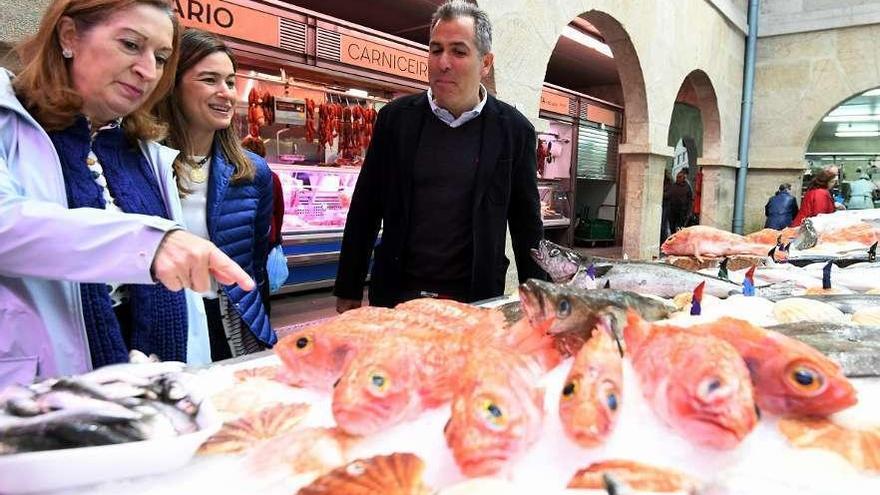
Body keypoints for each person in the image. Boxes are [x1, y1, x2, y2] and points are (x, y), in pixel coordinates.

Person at [0, 0, 255, 386]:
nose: (147, 70)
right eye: (131, 45)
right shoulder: (9, 119)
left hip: (153, 385)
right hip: (40, 392)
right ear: (69, 36)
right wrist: (150, 243)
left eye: (161, 57)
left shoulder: (144, 150)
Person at [334, 0, 545, 311]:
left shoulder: (514, 132)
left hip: (474, 299)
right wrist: (349, 287)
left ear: (485, 63)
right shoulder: (395, 120)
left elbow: (527, 227)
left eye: (458, 51)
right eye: (436, 50)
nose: (443, 62)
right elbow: (366, 208)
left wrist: (541, 302)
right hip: (397, 296)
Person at [156, 29, 275, 360]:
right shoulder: (142, 164)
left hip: (232, 322)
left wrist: (260, 323)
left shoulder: (253, 172)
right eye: (210, 80)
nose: (226, 93)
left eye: (230, 82)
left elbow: (255, 263)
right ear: (171, 86)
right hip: (166, 326)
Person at [242, 134, 286, 316]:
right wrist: (277, 235)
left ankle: (247, 311)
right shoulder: (272, 176)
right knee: (261, 273)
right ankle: (263, 311)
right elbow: (279, 209)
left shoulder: (238, 174)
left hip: (244, 234)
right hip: (267, 233)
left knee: (244, 272)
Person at [666, 168, 693, 233]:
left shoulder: (687, 187)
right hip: (672, 211)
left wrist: (689, 211)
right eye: (677, 177)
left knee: (680, 228)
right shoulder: (673, 186)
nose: (678, 178)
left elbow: (690, 199)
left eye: (679, 177)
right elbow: (668, 195)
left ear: (683, 178)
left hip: (682, 211)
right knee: (672, 227)